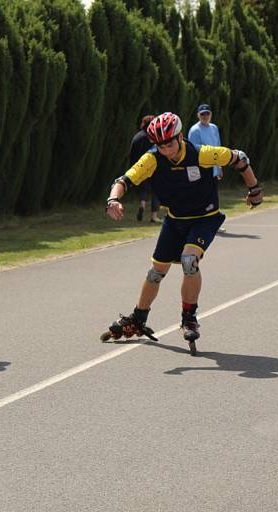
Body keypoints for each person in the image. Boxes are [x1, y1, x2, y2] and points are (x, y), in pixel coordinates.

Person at [102, 111, 263, 353]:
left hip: (205, 218)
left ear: (179, 136)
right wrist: (113, 199)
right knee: (156, 272)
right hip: (175, 220)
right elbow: (124, 180)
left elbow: (240, 158)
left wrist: (255, 189)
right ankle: (138, 318)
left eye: (169, 143)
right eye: (160, 145)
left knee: (189, 260)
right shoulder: (153, 159)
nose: (166, 149)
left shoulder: (202, 153)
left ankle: (189, 317)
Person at [129, 115, 162, 223]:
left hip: (139, 167)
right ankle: (154, 216)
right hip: (153, 167)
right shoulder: (153, 136)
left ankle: (142, 204)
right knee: (156, 191)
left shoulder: (137, 136)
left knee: (144, 188)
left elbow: (132, 153)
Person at [188, 103, 223, 181]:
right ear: (198, 115)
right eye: (202, 114)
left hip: (214, 170)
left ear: (211, 114)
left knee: (214, 193)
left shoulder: (214, 128)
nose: (205, 116)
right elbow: (192, 151)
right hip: (202, 170)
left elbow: (218, 148)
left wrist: (220, 167)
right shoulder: (194, 130)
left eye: (207, 113)